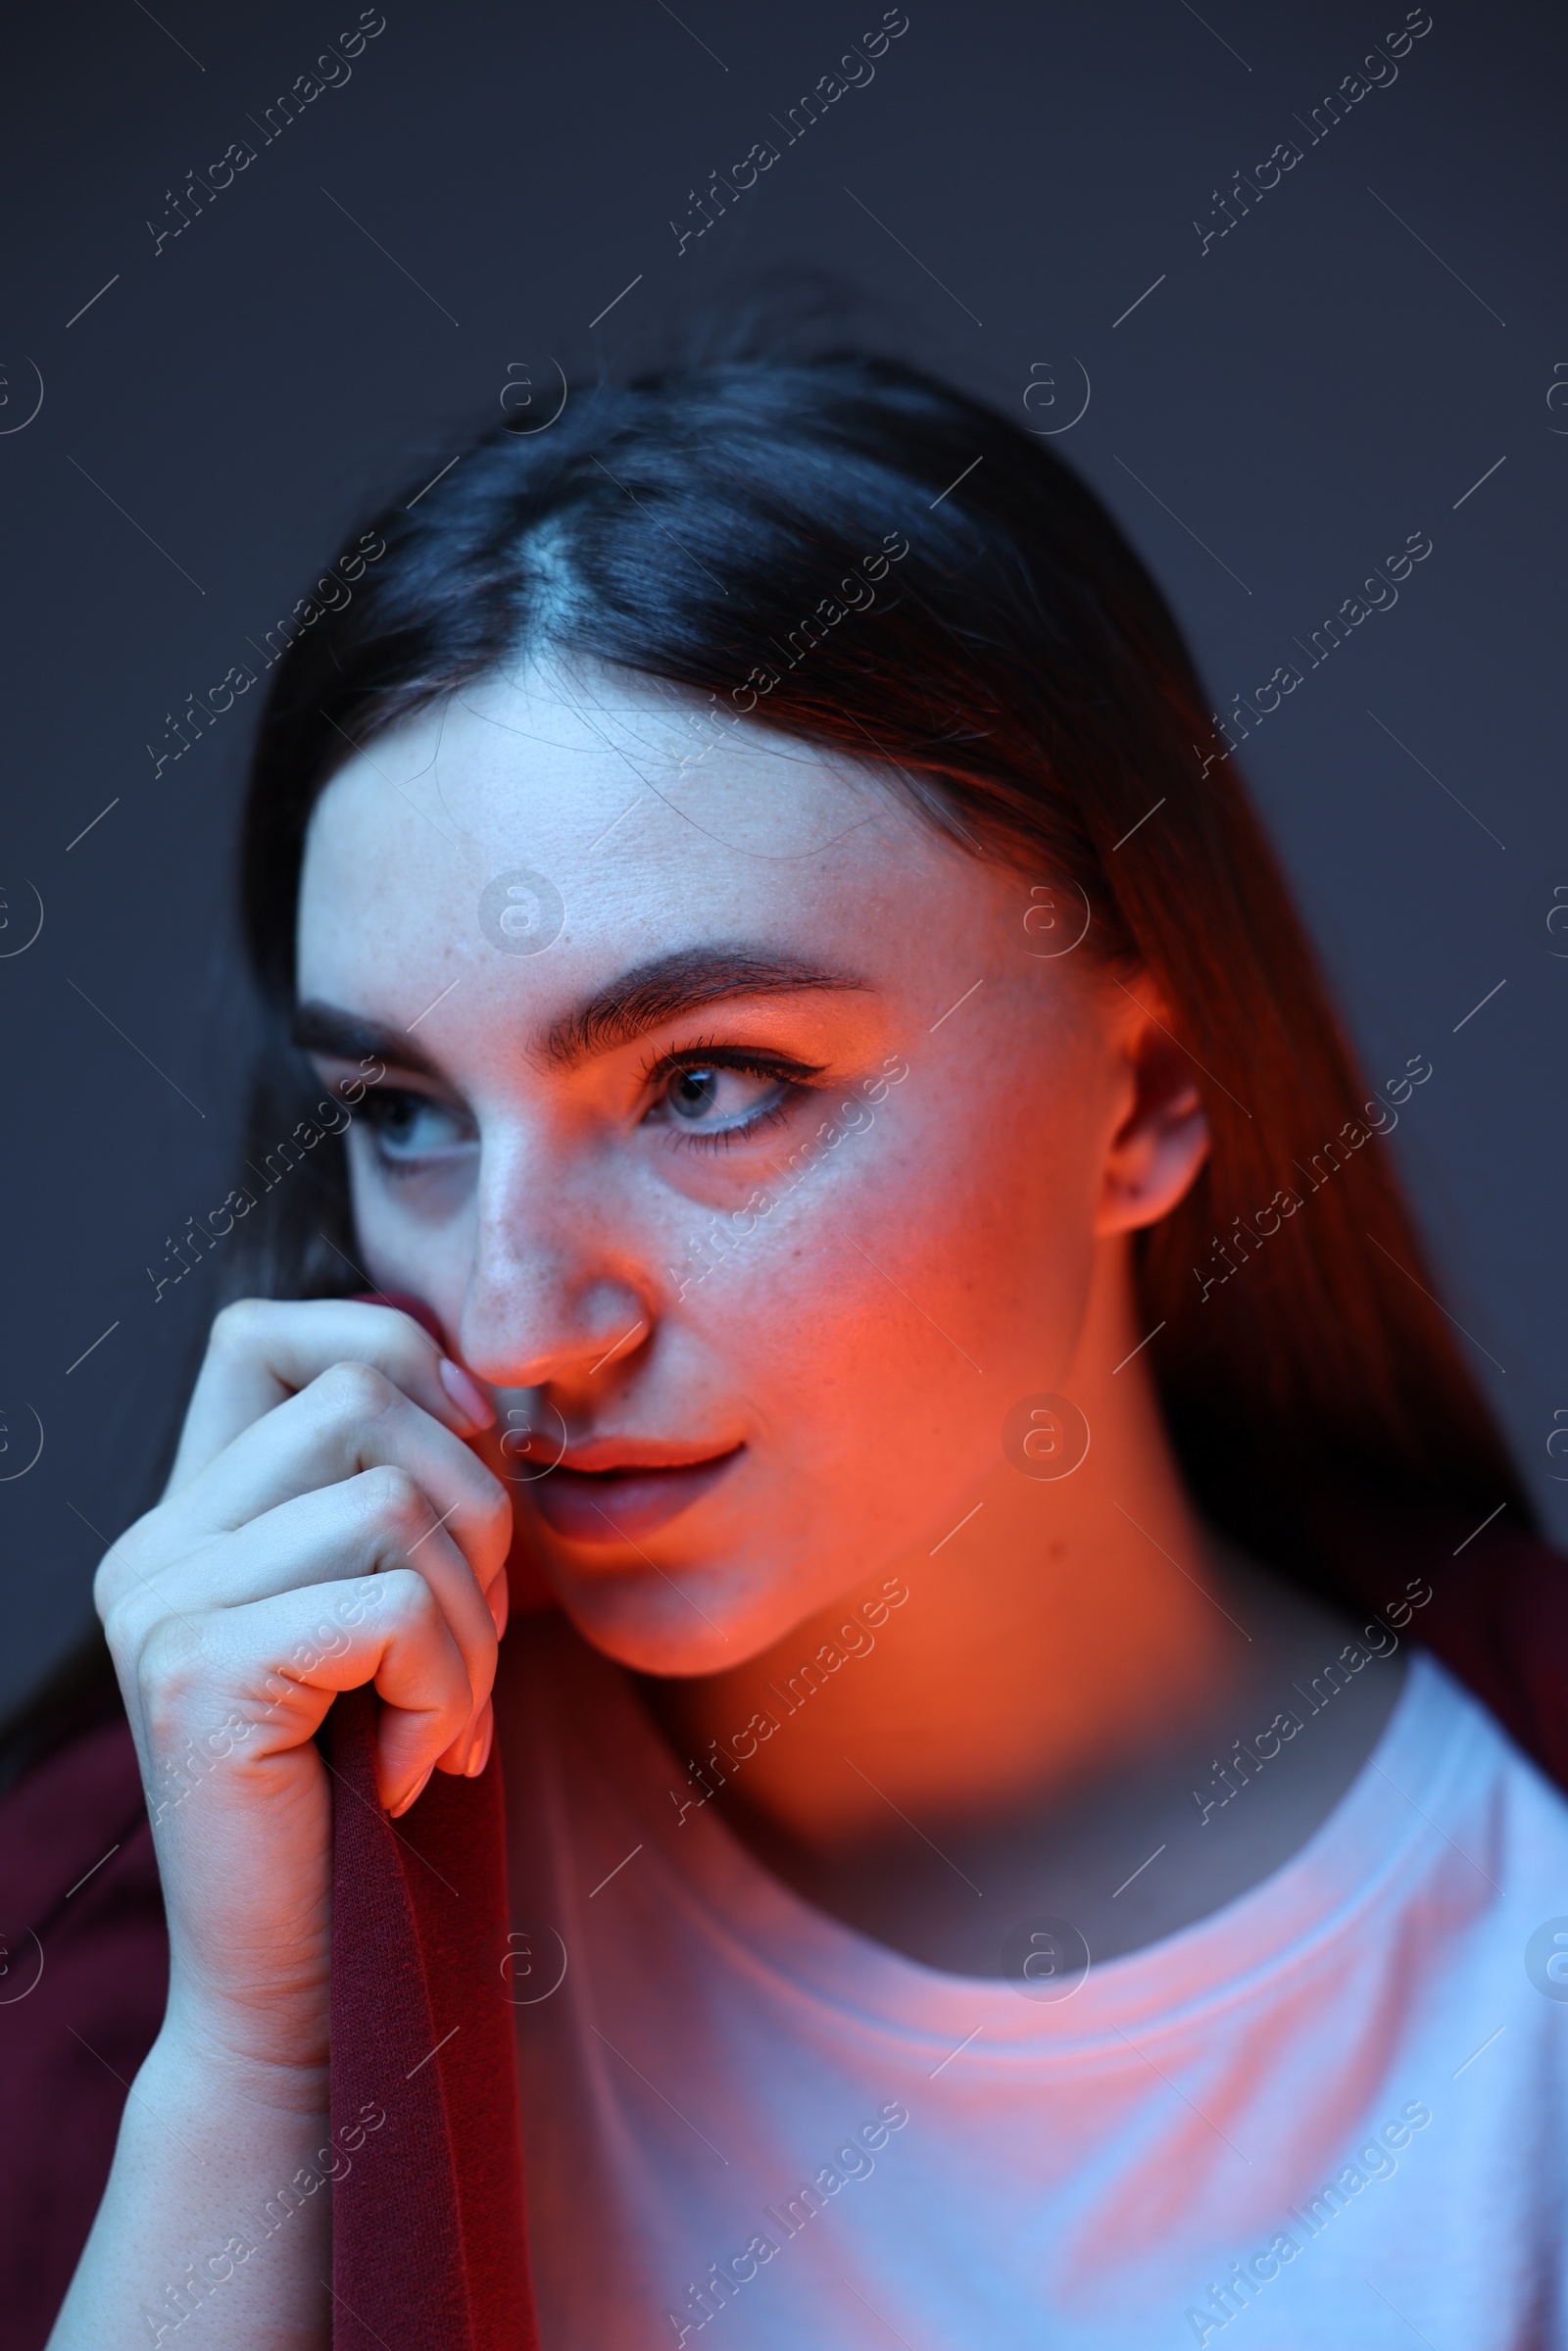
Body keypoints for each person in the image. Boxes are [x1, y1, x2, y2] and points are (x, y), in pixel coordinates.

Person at [32, 345, 1568, 2348]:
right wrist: (252, 2068)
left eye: (710, 1084)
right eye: (401, 1115)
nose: (512, 1322)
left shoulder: (1513, 1950)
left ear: (1147, 1096)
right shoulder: (145, 1916)